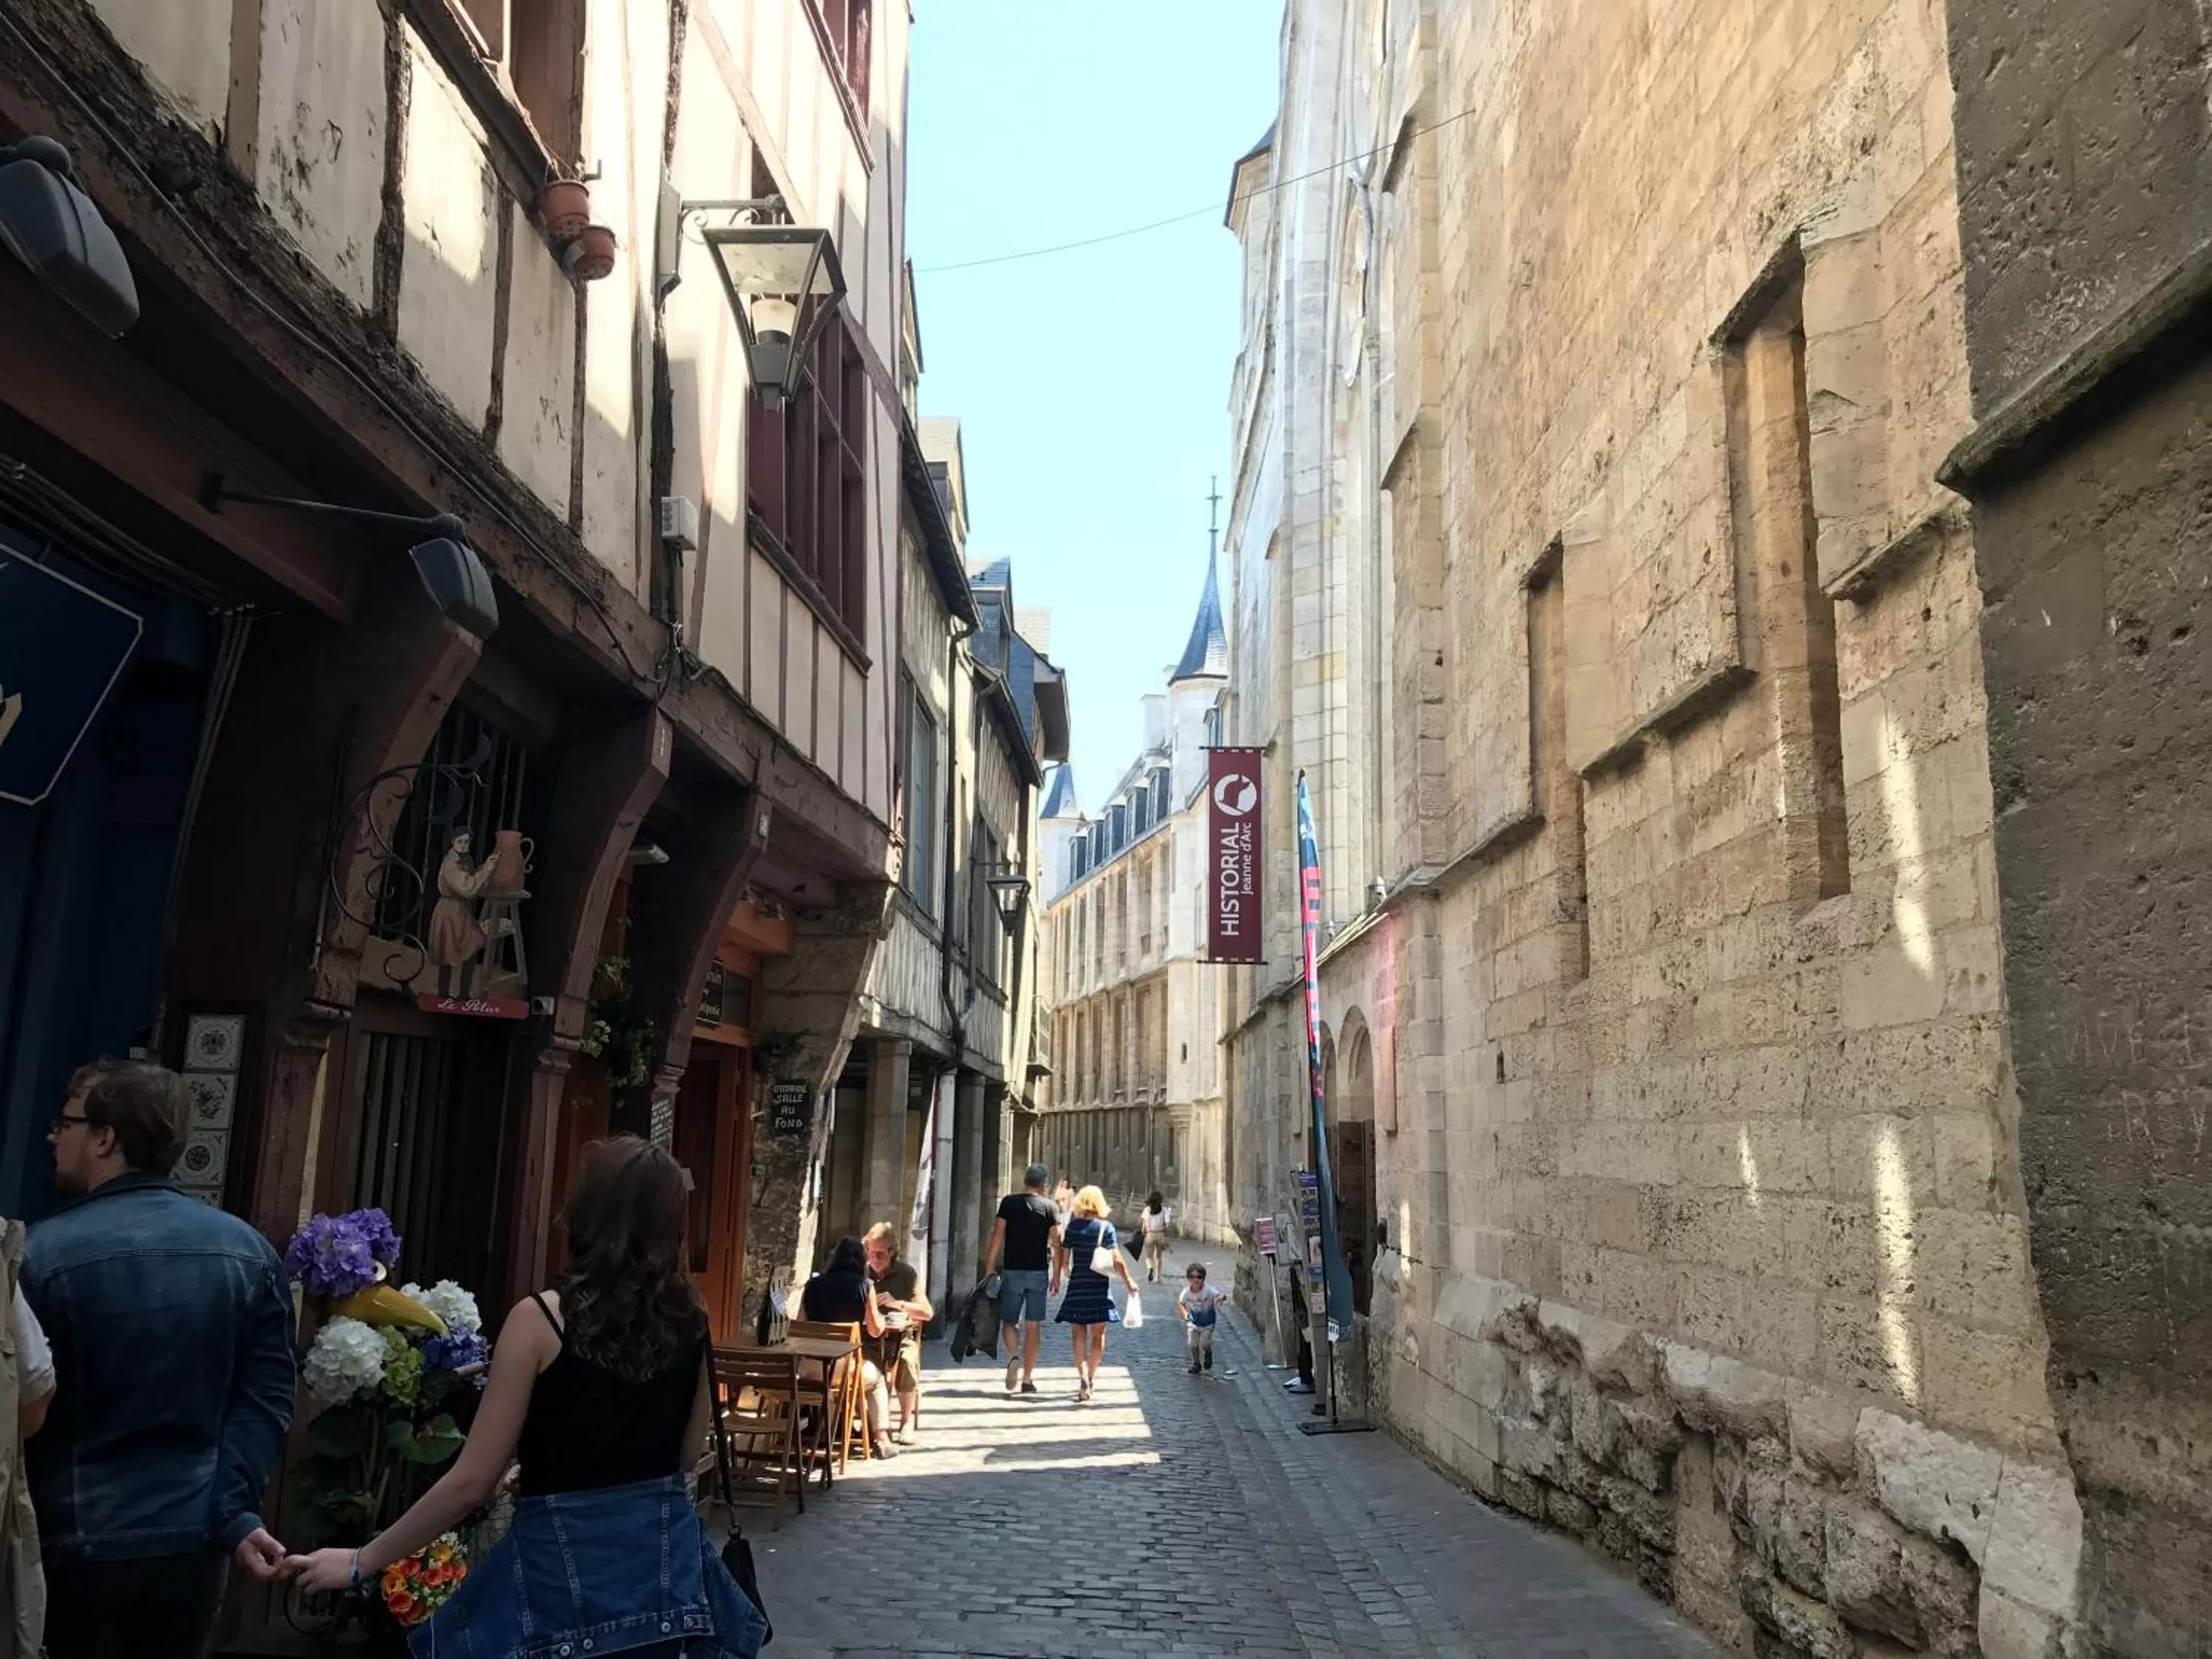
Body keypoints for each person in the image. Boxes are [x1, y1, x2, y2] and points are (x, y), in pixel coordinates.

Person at [290, 1137, 765, 1659]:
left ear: (585, 1212)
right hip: (658, 1585)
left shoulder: (539, 1320)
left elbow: (473, 1482)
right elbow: (683, 1455)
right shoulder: (691, 1321)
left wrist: (363, 1560)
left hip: (558, 1585)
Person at [24, 1060, 295, 1659]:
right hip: (193, 1540)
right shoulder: (248, 1253)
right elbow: (266, 1399)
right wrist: (231, 1512)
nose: (52, 1136)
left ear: (104, 1138)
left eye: (65, 1123)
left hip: (71, 1536)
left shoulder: (39, 1255)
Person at [799, 1237, 897, 1458]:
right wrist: (881, 1318)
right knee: (879, 1378)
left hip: (811, 1368)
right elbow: (874, 1330)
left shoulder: (813, 1285)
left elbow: (800, 1325)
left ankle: (828, 1431)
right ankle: (882, 1437)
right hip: (845, 1369)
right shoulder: (865, 1286)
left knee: (833, 1382)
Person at [1051, 1186, 1138, 1405]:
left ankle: (1081, 1378)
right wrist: (1129, 1282)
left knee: (1078, 1336)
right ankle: (1091, 1377)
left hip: (1078, 1287)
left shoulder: (1073, 1227)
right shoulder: (1106, 1228)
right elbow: (1117, 1259)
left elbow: (1065, 1257)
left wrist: (1065, 1271)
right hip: (1099, 1288)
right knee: (1098, 1337)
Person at [982, 1162, 1060, 1396]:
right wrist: (1057, 1274)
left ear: (1025, 1181)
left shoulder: (1009, 1202)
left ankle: (1014, 1356)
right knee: (1034, 1326)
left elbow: (997, 1234)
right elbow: (1056, 1243)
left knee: (1009, 1321)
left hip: (1013, 1270)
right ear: (1043, 1184)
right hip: (1038, 1272)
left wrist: (989, 1266)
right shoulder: (1049, 1207)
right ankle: (1027, 1378)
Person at [862, 1222, 932, 1444]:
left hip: (900, 1336)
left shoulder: (906, 1274)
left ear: (892, 1251)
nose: (876, 1257)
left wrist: (898, 1304)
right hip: (868, 1337)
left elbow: (927, 1312)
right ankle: (868, 1423)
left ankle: (906, 1422)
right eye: (872, 1252)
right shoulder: (861, 1273)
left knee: (908, 1360)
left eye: (881, 1253)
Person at [1178, 1263, 1228, 1375]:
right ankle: (1196, 1364)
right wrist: (1185, 1313)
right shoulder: (1186, 1292)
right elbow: (1181, 1303)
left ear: (1203, 1279)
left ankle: (1208, 1354)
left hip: (1207, 1323)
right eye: (1192, 1277)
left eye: (1199, 1277)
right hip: (1193, 1322)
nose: (1196, 1280)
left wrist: (1221, 1297)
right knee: (1193, 1344)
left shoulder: (1208, 1290)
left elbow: (1219, 1295)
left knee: (1204, 1344)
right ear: (1189, 1279)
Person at [1139, 1191, 1172, 1283]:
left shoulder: (1147, 1210)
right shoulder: (1164, 1210)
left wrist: (1143, 1233)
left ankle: (1150, 1268)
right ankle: (1158, 1277)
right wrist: (1164, 1231)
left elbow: (1144, 1226)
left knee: (1149, 1256)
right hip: (1160, 1234)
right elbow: (1167, 1224)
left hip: (1150, 1234)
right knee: (1159, 1256)